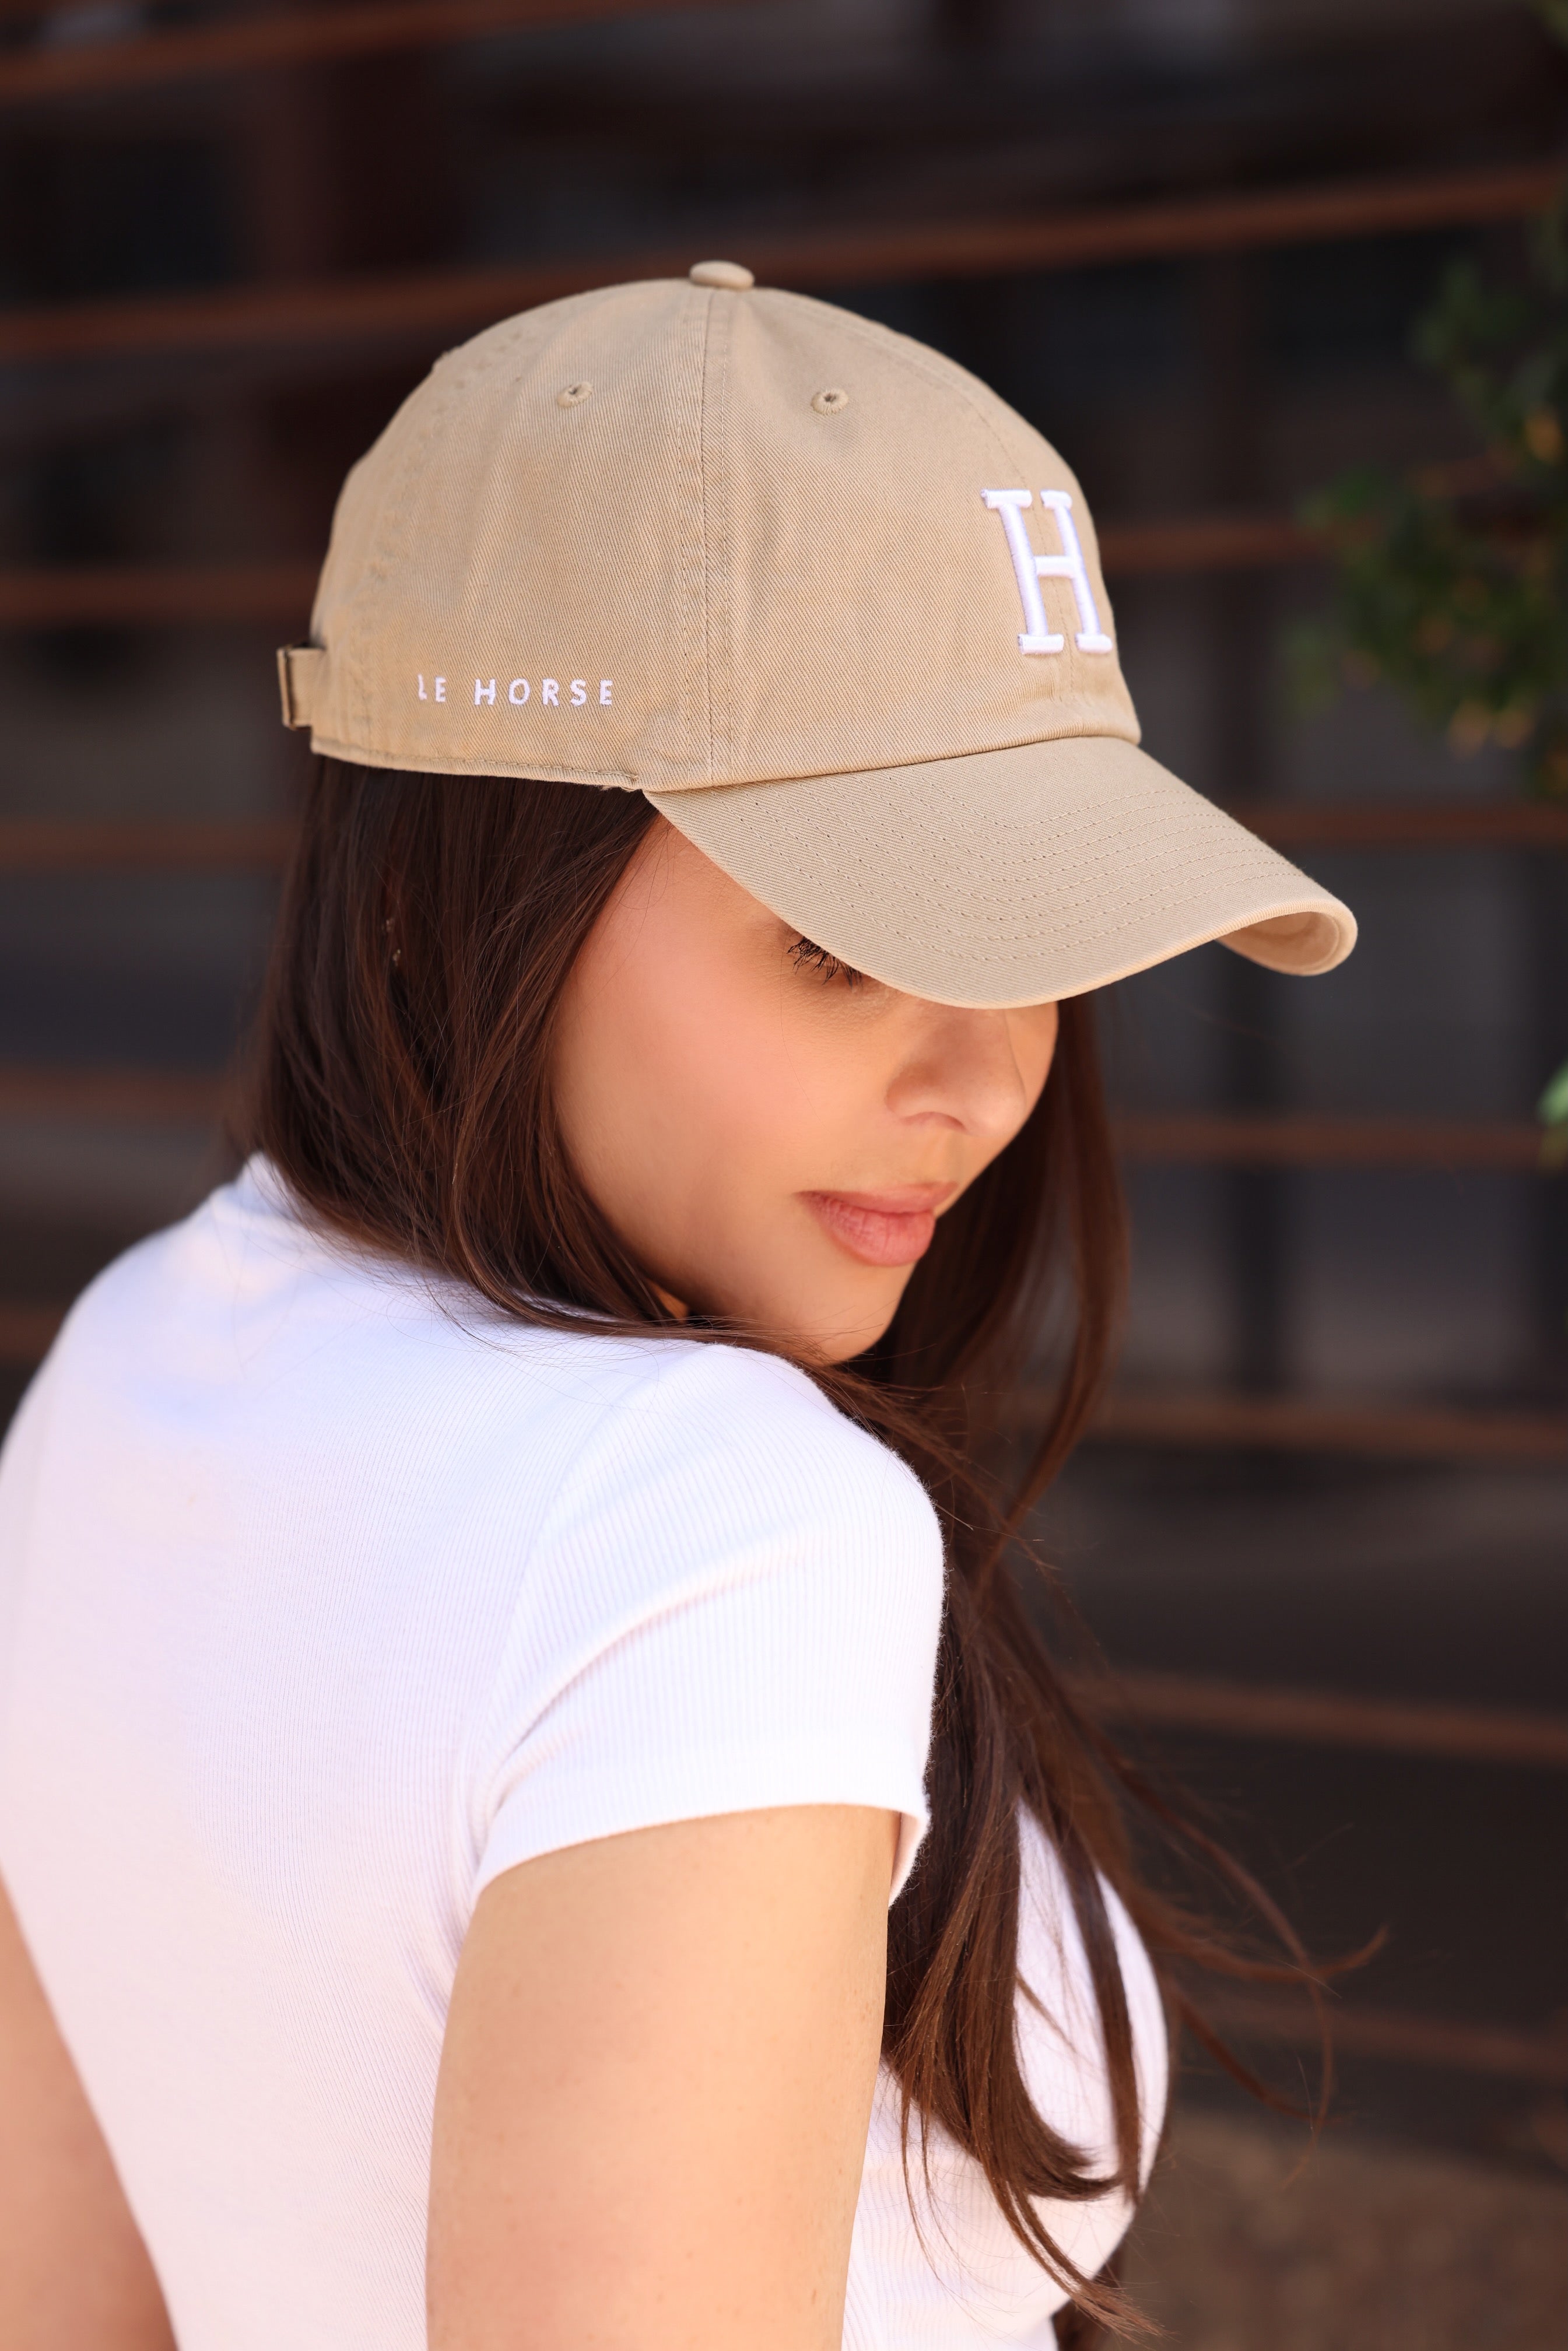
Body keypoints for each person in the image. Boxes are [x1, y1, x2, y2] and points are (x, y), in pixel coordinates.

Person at [0, 261, 1354, 2351]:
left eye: (1036, 929)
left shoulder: (128, 1369)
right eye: (841, 942)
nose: (983, 1076)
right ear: (440, 893)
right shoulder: (709, 1518)